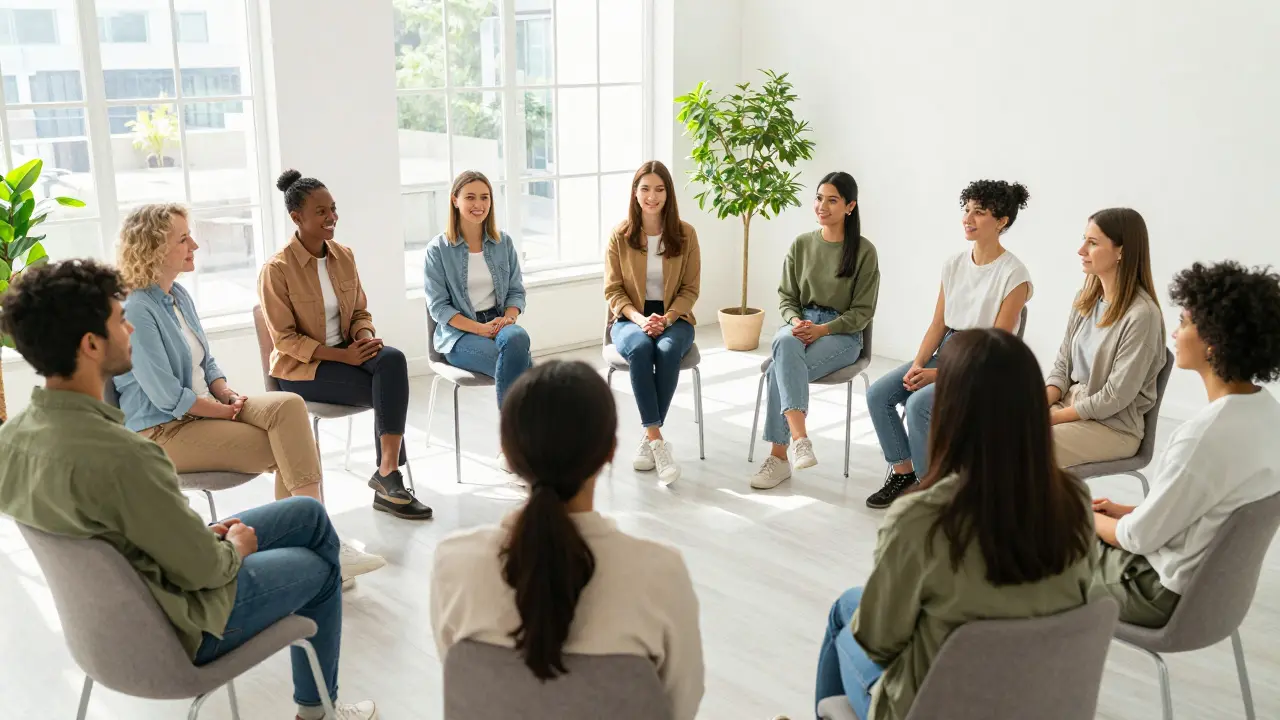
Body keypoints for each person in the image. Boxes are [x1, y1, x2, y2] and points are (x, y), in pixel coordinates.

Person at [0, 259, 376, 720]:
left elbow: (111, 536)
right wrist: (232, 546)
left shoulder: (11, 442)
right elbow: (206, 571)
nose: (130, 329)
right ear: (91, 344)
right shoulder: (129, 458)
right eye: (121, 320)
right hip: (182, 622)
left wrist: (200, 538)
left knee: (307, 514)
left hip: (101, 627)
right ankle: (317, 713)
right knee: (320, 569)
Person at [815, 329, 1095, 720]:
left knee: (845, 611)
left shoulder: (920, 518)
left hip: (934, 707)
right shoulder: (1075, 501)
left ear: (949, 411)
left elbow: (879, 643)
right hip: (1032, 700)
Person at [112, 203, 386, 584]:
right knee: (289, 447)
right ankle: (320, 545)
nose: (195, 244)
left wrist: (225, 392)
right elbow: (166, 397)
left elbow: (206, 364)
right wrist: (222, 412)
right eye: (183, 238)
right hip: (162, 431)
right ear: (155, 248)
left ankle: (314, 544)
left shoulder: (178, 296)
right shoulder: (137, 309)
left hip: (202, 409)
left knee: (288, 407)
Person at [430, 360, 704, 719]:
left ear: (509, 455)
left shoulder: (454, 563)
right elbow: (680, 706)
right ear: (610, 451)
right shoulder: (660, 573)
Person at [1092, 261, 1280, 628]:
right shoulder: (1267, 414)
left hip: (1154, 592)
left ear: (1213, 341)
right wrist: (1131, 510)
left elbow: (1136, 539)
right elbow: (1211, 514)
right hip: (1212, 596)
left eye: (1184, 323)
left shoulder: (1203, 437)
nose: (1175, 335)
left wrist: (1081, 516)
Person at [259, 169, 432, 521]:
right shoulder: (276, 270)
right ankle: (389, 484)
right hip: (302, 370)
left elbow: (360, 312)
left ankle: (386, 471)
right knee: (388, 390)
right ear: (297, 218)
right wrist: (343, 355)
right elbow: (286, 340)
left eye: (333, 209)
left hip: (349, 353)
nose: (331, 217)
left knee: (393, 361)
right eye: (321, 211)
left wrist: (365, 339)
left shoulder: (343, 256)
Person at [863, 180, 1032, 509]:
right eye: (966, 210)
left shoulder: (1015, 275)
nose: (967, 218)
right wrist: (917, 365)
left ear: (1002, 221)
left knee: (918, 405)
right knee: (879, 394)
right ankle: (903, 474)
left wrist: (937, 376)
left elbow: (996, 349)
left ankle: (932, 494)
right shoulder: (954, 264)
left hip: (984, 366)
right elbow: (939, 324)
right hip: (948, 353)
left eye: (979, 212)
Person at [749, 172, 880, 490]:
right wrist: (797, 323)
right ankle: (800, 440)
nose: (822, 205)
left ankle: (780, 457)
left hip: (841, 334)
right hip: (800, 326)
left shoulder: (863, 251)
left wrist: (822, 329)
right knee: (784, 344)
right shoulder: (802, 244)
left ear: (850, 206)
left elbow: (862, 313)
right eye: (819, 198)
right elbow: (786, 298)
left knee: (779, 365)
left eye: (832, 200)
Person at [424, 170, 533, 464]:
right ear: (455, 200)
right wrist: (478, 329)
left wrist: (507, 320)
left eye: (484, 197)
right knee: (527, 372)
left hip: (499, 324)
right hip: (459, 335)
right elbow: (439, 308)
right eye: (470, 197)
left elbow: (516, 293)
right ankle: (518, 446)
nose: (478, 204)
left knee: (518, 337)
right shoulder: (438, 250)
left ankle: (514, 448)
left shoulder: (503, 243)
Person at [603, 160, 701, 485]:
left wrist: (668, 317)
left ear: (668, 195)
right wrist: (640, 318)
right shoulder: (620, 236)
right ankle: (657, 440)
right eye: (645, 188)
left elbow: (690, 289)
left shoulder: (686, 235)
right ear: (635, 193)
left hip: (675, 316)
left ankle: (649, 436)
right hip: (630, 317)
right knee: (642, 349)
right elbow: (613, 290)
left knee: (669, 350)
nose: (652, 196)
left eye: (659, 189)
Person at [1046, 208, 1165, 467]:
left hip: (1112, 427)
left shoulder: (1142, 316)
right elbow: (1062, 368)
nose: (1081, 250)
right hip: (1070, 408)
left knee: (1023, 444)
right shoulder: (1085, 301)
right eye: (1084, 240)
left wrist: (1051, 418)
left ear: (1121, 251)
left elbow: (1114, 397)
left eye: (1092, 243)